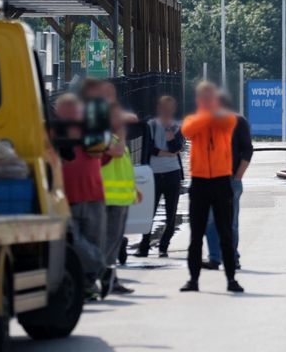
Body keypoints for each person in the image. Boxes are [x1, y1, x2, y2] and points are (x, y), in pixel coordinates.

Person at [179, 81, 243, 293]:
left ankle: (231, 279)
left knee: (225, 232)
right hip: (199, 182)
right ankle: (193, 280)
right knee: (196, 235)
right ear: (198, 100)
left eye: (210, 97)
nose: (207, 100)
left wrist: (211, 115)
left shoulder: (226, 118)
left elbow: (228, 123)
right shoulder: (193, 120)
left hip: (221, 181)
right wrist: (207, 116)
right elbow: (187, 130)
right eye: (203, 97)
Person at [55, 93, 111, 296]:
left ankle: (88, 286)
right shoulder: (54, 131)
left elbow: (104, 156)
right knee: (75, 242)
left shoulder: (91, 130)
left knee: (87, 243)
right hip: (70, 198)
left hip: (90, 196)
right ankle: (102, 272)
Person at [204, 93, 254, 270]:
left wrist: (238, 176)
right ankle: (215, 258)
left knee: (230, 222)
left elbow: (247, 150)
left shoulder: (238, 122)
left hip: (230, 180)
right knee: (210, 221)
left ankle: (232, 257)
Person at [135, 95, 185, 258]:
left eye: (169, 108)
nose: (166, 111)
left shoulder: (176, 126)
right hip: (154, 174)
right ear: (159, 108)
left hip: (173, 173)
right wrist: (166, 153)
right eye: (164, 107)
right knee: (149, 212)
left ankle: (164, 246)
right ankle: (144, 246)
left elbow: (177, 147)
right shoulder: (151, 125)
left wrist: (170, 135)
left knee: (171, 213)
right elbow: (149, 148)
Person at [101, 103, 138, 295]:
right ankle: (103, 278)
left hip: (120, 199)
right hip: (110, 198)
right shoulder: (104, 137)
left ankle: (111, 279)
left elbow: (123, 167)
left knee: (114, 243)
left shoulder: (114, 137)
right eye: (117, 116)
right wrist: (122, 134)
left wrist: (133, 189)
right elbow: (115, 152)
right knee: (109, 243)